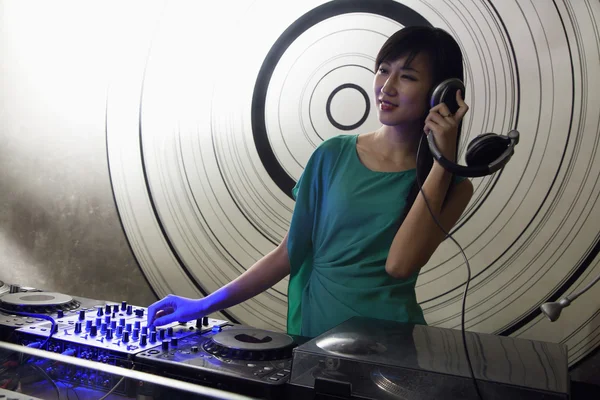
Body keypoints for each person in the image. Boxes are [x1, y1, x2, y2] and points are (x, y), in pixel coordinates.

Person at [146, 26, 474, 338]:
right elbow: (288, 253)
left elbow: (399, 265)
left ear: (439, 94)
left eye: (407, 77)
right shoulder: (331, 156)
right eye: (384, 69)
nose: (387, 87)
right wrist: (202, 305)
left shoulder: (454, 187)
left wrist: (442, 166)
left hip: (393, 348)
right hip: (315, 338)